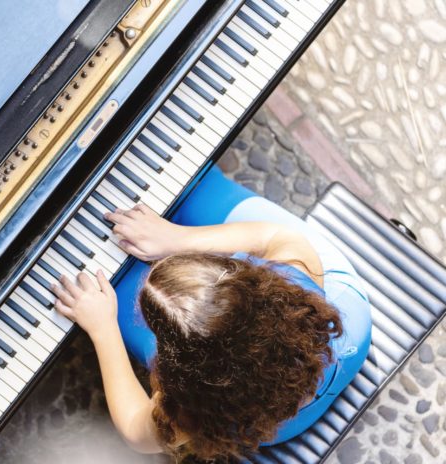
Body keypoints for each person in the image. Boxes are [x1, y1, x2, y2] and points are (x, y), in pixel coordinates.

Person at [51, 166, 372, 461]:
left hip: (277, 418)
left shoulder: (199, 407)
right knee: (188, 178)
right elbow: (276, 237)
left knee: (105, 286)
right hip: (347, 325)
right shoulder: (297, 296)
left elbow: (138, 433)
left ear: (182, 367)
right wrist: (177, 239)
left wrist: (101, 326)